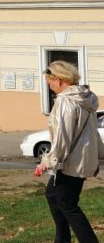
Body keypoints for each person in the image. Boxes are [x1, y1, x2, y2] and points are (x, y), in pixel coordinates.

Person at [38, 61, 104, 243]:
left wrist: (48, 161)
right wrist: (97, 158)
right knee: (53, 195)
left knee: (67, 204)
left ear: (58, 79)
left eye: (49, 82)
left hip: (70, 163)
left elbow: (62, 137)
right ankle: (62, 239)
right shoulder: (85, 99)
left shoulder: (66, 102)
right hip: (80, 161)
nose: (49, 86)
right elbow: (94, 133)